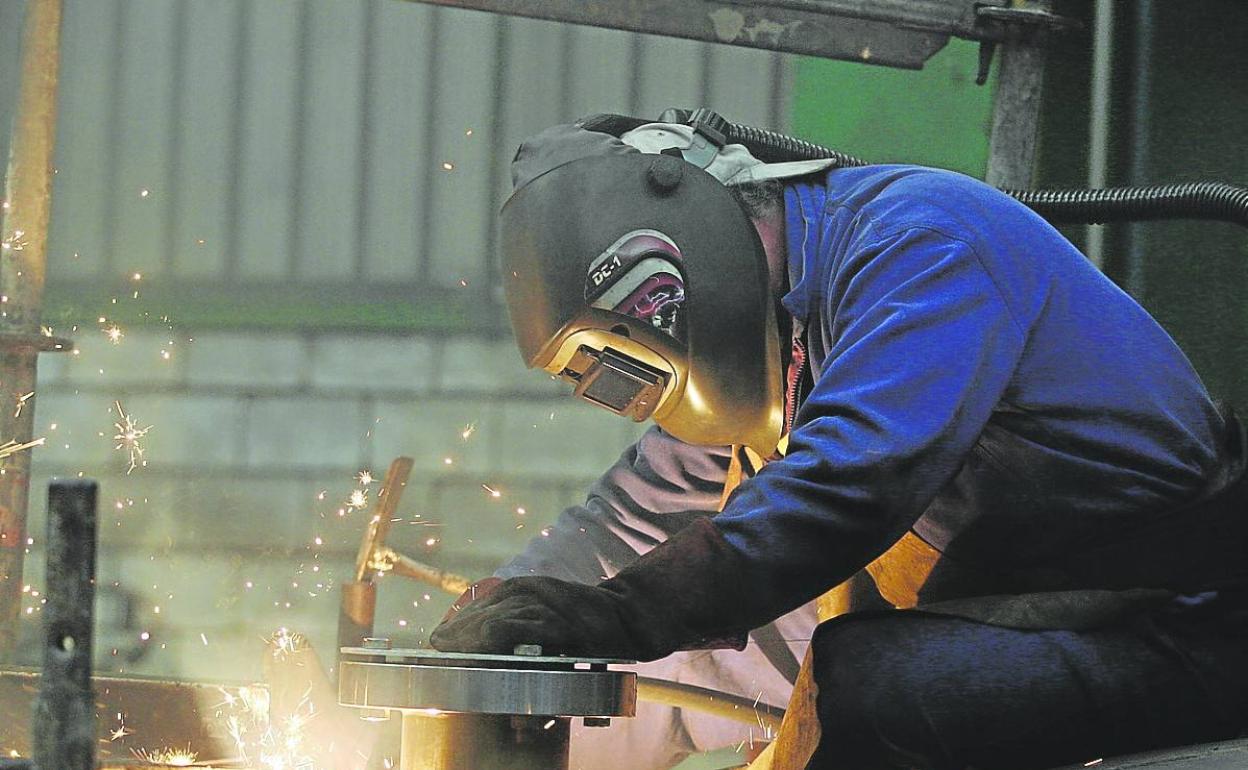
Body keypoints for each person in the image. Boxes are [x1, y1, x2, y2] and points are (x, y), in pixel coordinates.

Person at [432, 115, 1248, 770]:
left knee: (874, 685)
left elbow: (842, 492)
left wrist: (620, 611)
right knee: (667, 676)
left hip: (1176, 630)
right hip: (1011, 611)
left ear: (683, 251)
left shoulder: (921, 247)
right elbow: (632, 519)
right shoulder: (772, 338)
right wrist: (507, 619)